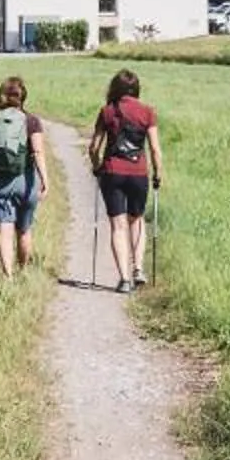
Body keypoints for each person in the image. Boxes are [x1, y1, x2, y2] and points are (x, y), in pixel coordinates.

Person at [87, 68, 162, 292]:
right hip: (138, 173)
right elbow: (155, 149)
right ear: (136, 88)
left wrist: (97, 167)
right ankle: (138, 268)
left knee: (118, 226)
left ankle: (124, 280)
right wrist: (158, 173)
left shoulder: (107, 112)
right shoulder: (148, 112)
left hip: (112, 172)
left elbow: (94, 147)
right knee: (136, 220)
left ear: (115, 88)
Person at [0, 75, 48, 278]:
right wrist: (45, 180)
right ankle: (23, 270)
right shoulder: (31, 121)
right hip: (25, 182)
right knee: (24, 230)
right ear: (23, 97)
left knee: (4, 229)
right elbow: (38, 152)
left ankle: (8, 276)